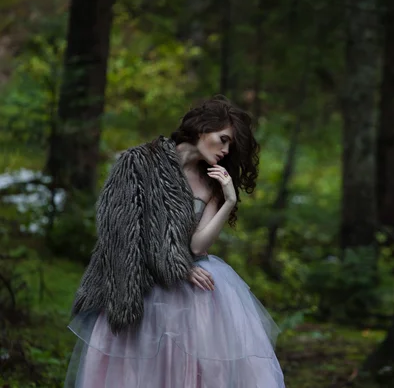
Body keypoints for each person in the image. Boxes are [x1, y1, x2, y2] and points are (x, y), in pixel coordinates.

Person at [64, 96, 285, 387]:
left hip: (191, 297)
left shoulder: (211, 183)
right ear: (202, 128)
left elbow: (197, 247)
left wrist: (229, 199)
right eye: (223, 139)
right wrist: (177, 266)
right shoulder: (138, 162)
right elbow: (119, 230)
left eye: (230, 145)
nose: (226, 150)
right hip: (138, 286)